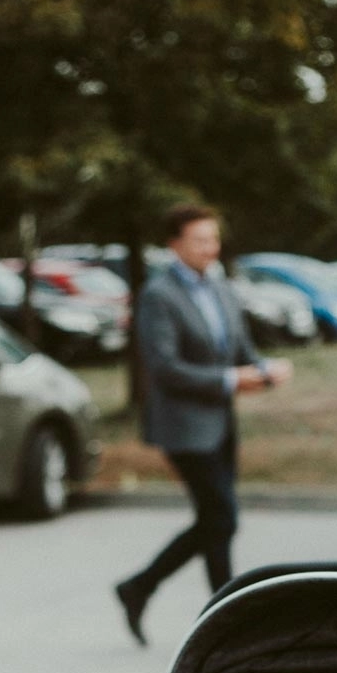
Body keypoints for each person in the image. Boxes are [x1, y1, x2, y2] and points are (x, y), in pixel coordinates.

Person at [114, 203, 291, 643]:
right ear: (175, 244)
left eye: (213, 239)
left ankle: (213, 619)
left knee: (215, 521)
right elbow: (164, 367)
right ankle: (166, 595)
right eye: (199, 240)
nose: (210, 248)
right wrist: (231, 380)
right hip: (182, 426)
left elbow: (240, 349)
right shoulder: (158, 295)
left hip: (221, 422)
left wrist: (265, 370)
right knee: (222, 518)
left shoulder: (220, 286)